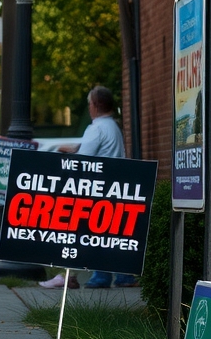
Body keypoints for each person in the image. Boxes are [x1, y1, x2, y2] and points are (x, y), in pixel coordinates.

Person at [40, 85, 138, 290]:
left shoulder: (96, 128)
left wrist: (70, 155)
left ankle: (93, 276)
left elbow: (84, 161)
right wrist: (77, 148)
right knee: (111, 234)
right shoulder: (113, 127)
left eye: (89, 104)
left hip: (96, 190)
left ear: (94, 105)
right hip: (113, 186)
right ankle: (122, 275)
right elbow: (98, 150)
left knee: (91, 234)